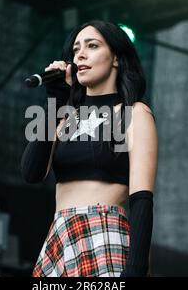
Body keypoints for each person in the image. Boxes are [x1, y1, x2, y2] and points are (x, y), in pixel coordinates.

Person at [21, 20, 158, 277]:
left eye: (92, 46)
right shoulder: (64, 119)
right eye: (75, 49)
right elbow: (32, 173)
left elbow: (142, 200)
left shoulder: (134, 113)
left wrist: (137, 269)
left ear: (116, 58)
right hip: (60, 234)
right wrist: (54, 101)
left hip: (104, 232)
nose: (80, 55)